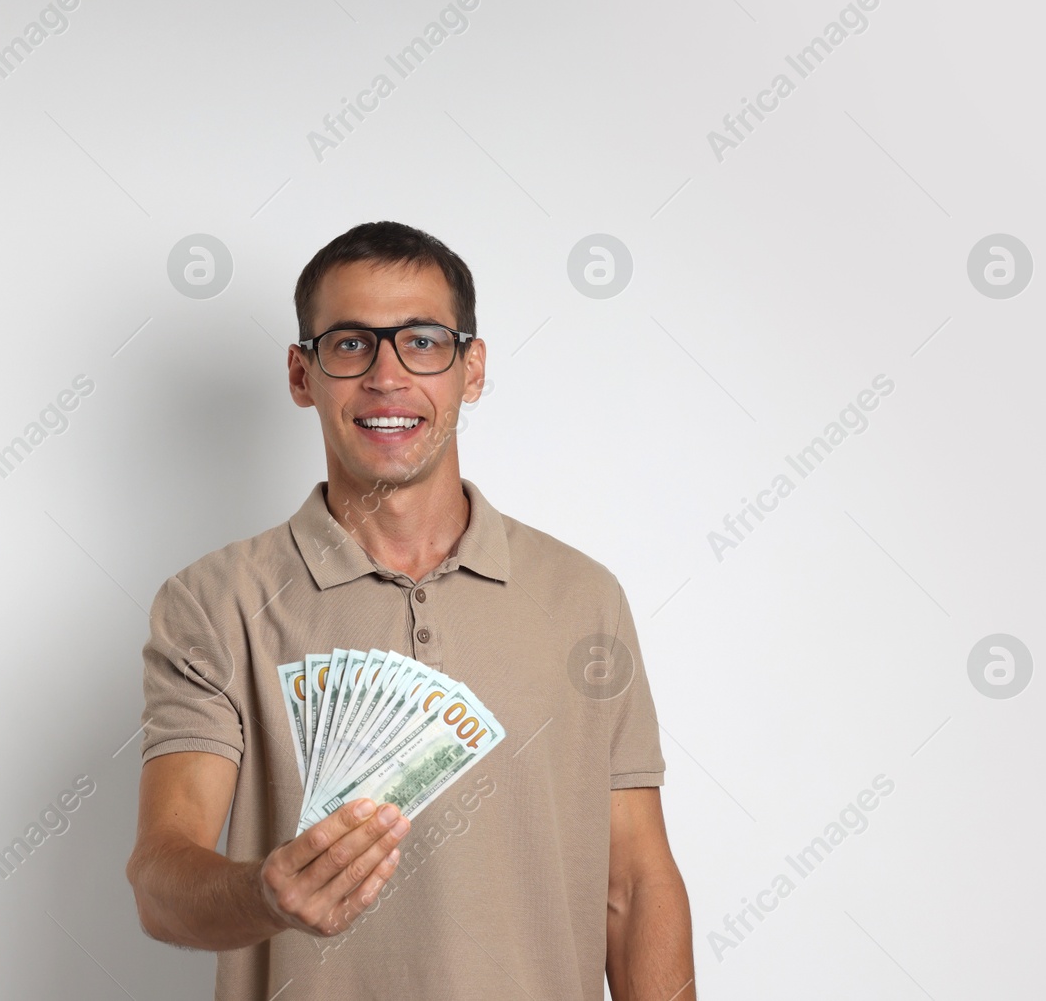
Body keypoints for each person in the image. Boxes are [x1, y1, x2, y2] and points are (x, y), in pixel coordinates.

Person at [126, 221, 695, 1000]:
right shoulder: (214, 602)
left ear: (473, 367)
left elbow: (636, 885)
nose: (387, 376)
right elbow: (160, 881)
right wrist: (261, 891)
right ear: (302, 374)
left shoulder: (583, 597)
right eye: (351, 344)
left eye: (422, 341)